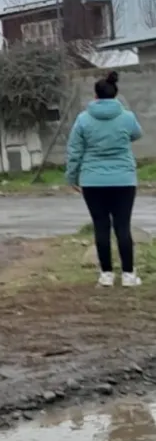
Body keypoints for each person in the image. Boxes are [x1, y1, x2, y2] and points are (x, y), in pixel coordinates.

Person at [65, 71, 143, 287]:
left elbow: (74, 151)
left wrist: (72, 177)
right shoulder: (127, 117)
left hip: (92, 181)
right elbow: (137, 134)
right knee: (123, 227)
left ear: (95, 96)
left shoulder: (83, 119)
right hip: (124, 179)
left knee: (101, 226)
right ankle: (128, 275)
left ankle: (106, 274)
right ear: (116, 94)